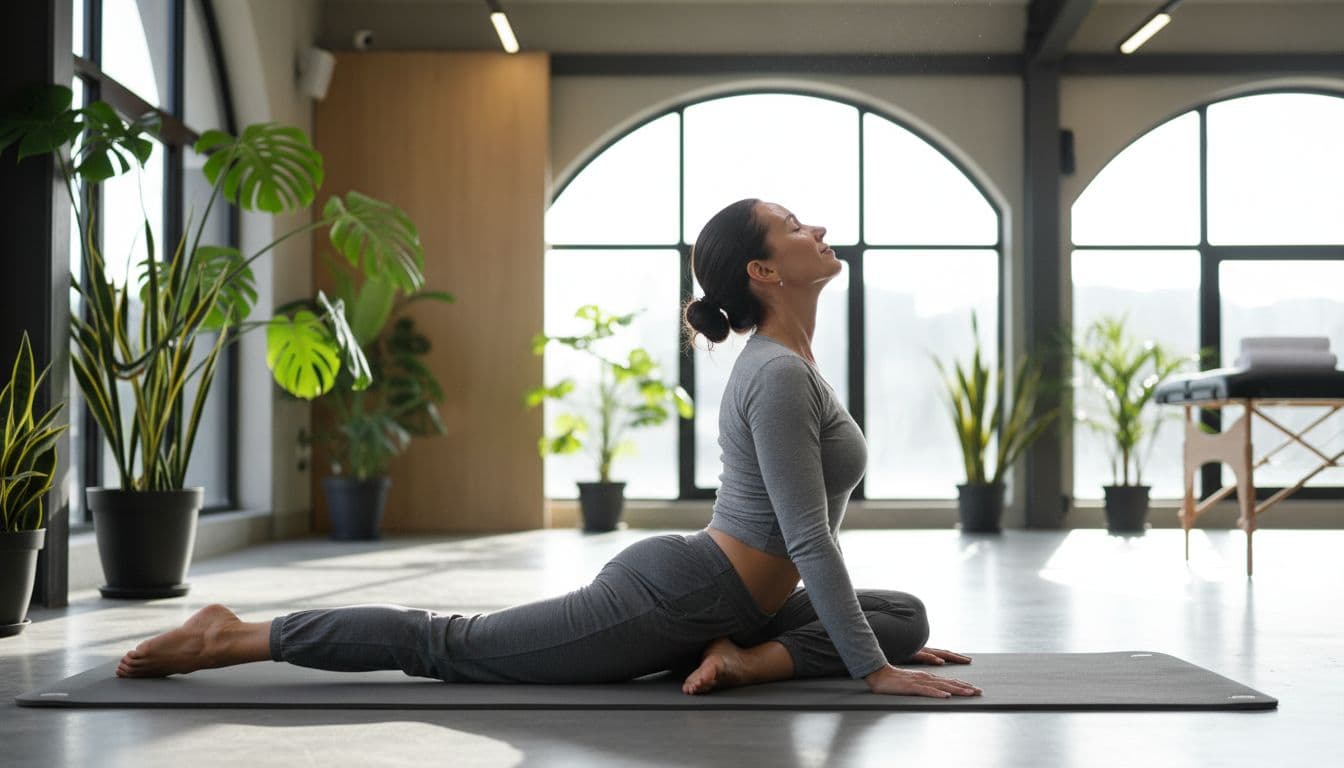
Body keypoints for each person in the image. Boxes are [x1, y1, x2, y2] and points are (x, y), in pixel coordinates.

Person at [117, 198, 982, 700]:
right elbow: (806, 537)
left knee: (906, 613)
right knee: (452, 646)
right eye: (795, 225)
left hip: (745, 609)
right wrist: (870, 670)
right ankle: (232, 637)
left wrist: (876, 642)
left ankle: (745, 660)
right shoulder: (778, 375)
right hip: (679, 594)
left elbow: (815, 546)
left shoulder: (795, 362)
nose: (817, 228)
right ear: (763, 270)